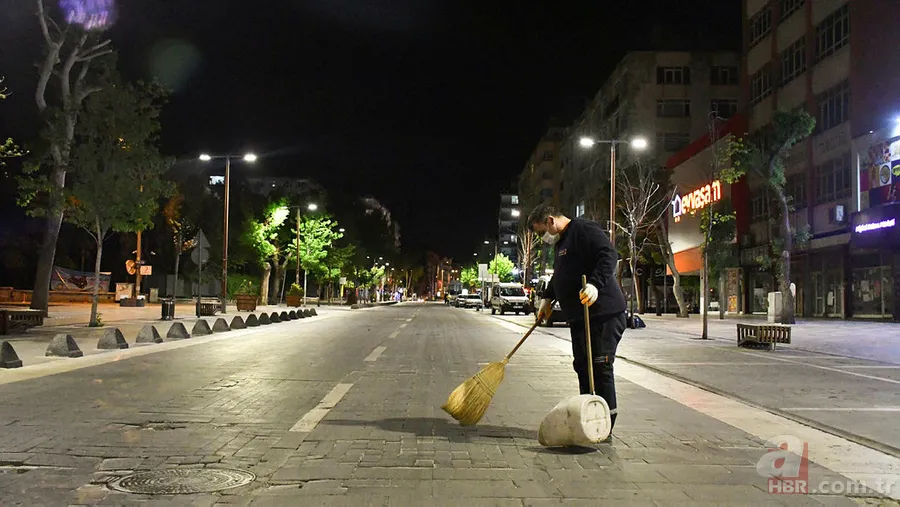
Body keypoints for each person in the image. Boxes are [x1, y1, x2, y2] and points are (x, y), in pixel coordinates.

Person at [528, 203, 627, 441]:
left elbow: (609, 255)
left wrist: (594, 284)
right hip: (580, 317)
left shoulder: (583, 229)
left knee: (600, 366)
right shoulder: (561, 243)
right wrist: (547, 298)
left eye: (541, 232)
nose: (542, 238)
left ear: (551, 220)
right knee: (582, 366)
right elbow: (561, 274)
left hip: (603, 314)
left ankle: (605, 425)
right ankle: (589, 417)